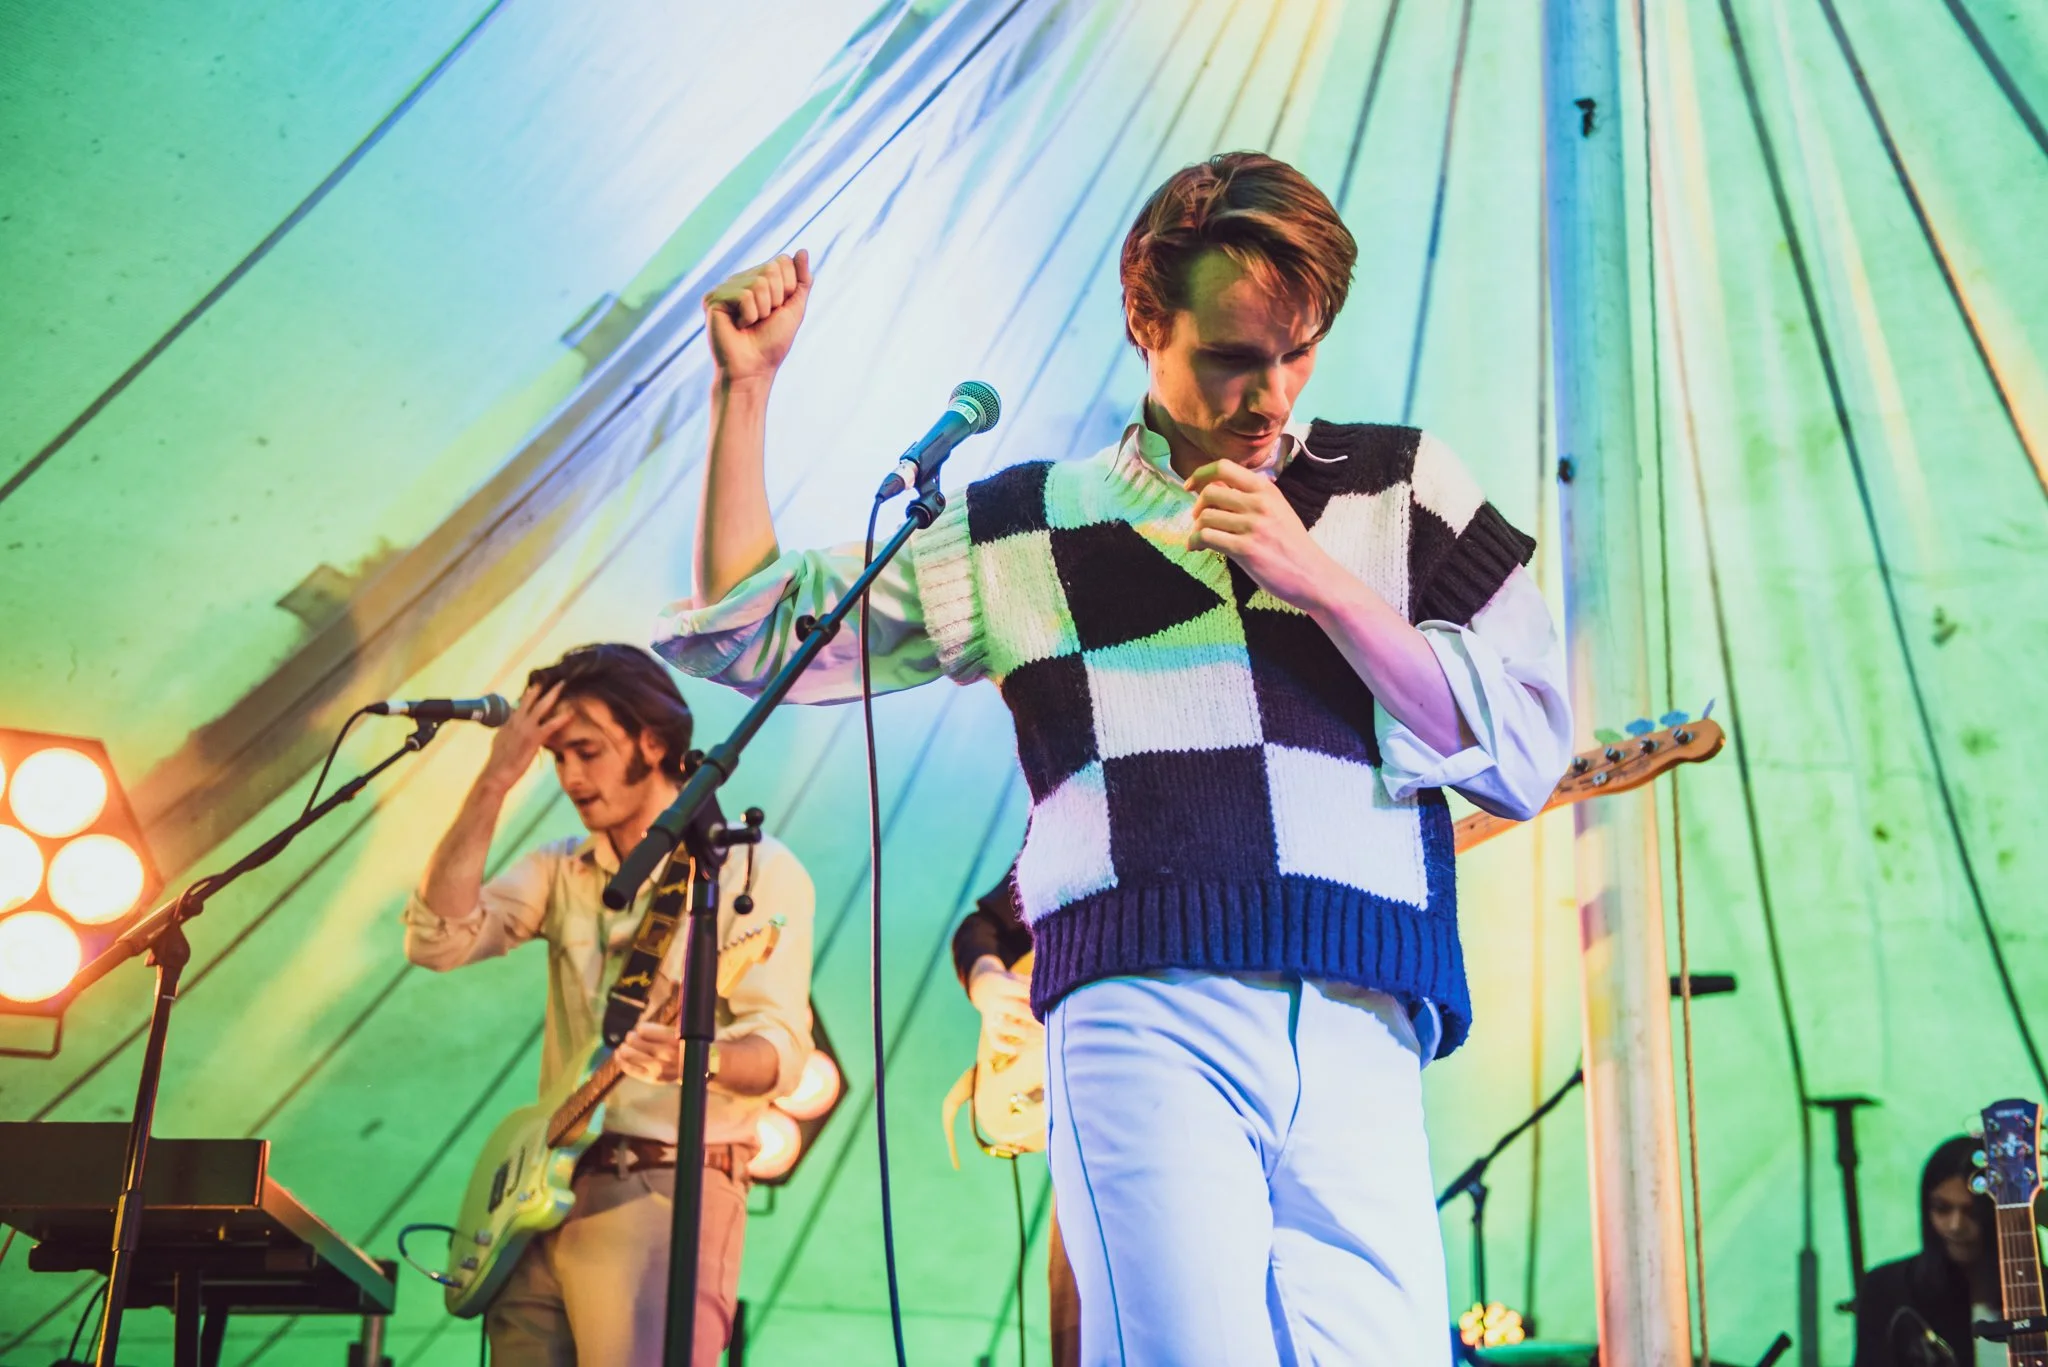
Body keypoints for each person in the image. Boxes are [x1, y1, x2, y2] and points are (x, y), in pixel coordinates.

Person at [658, 152, 1572, 1363]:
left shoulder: (1399, 484)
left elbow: (1526, 748)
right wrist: (745, 391)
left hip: (1367, 1006)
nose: (1270, 395)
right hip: (1141, 999)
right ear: (1146, 320)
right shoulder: (1023, 522)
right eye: (1232, 357)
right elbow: (754, 631)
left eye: (1298, 352)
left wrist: (1318, 579)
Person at [403, 643, 815, 1367]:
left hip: (661, 1183)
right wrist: (496, 780)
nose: (570, 776)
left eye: (586, 751)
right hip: (540, 1193)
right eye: (556, 756)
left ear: (651, 741)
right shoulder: (562, 867)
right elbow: (438, 938)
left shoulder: (751, 868)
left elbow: (780, 1052)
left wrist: (699, 1059)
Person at [952, 867, 1079, 1366]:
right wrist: (987, 981)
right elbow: (984, 929)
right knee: (1080, 1326)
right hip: (1085, 1142)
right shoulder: (1078, 822)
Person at [1855, 1136, 2005, 1367]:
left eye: (1972, 1211)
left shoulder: (2040, 1288)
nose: (1955, 1225)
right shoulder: (1887, 1287)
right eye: (1942, 1208)